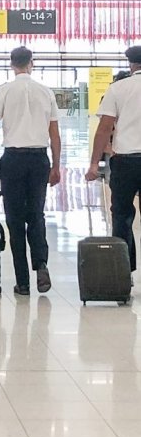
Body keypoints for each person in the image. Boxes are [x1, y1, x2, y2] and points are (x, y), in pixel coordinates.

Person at [0, 46, 61, 295]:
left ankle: (23, 282)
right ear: (32, 63)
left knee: (15, 220)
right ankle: (41, 264)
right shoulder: (46, 92)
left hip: (13, 160)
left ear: (12, 64)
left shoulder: (4, 91)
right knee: (36, 214)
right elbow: (55, 135)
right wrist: (56, 165)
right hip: (39, 159)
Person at [86, 46, 141, 272]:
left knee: (122, 216)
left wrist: (93, 164)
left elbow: (104, 128)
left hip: (126, 161)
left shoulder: (118, 88)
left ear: (131, 64)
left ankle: (123, 271)